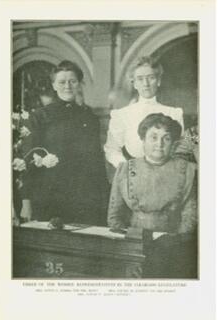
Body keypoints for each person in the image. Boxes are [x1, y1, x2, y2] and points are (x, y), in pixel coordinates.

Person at [19, 60, 109, 226]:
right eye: (62, 82)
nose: (67, 86)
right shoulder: (40, 116)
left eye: (72, 81)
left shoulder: (89, 117)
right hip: (49, 197)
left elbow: (96, 160)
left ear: (79, 84)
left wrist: (104, 199)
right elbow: (29, 159)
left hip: (84, 198)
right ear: (54, 85)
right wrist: (26, 201)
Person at [107, 113, 197, 278]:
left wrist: (173, 242)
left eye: (166, 138)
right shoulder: (125, 169)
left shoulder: (188, 170)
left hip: (173, 248)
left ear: (173, 143)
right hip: (133, 247)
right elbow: (114, 216)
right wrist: (131, 244)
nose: (159, 144)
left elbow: (190, 216)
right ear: (143, 140)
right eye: (153, 137)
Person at [104, 56, 184, 169]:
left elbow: (179, 149)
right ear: (134, 83)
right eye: (140, 79)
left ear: (159, 81)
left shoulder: (174, 113)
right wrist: (126, 168)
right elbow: (111, 149)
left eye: (151, 77)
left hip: (166, 173)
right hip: (133, 173)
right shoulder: (121, 115)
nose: (146, 83)